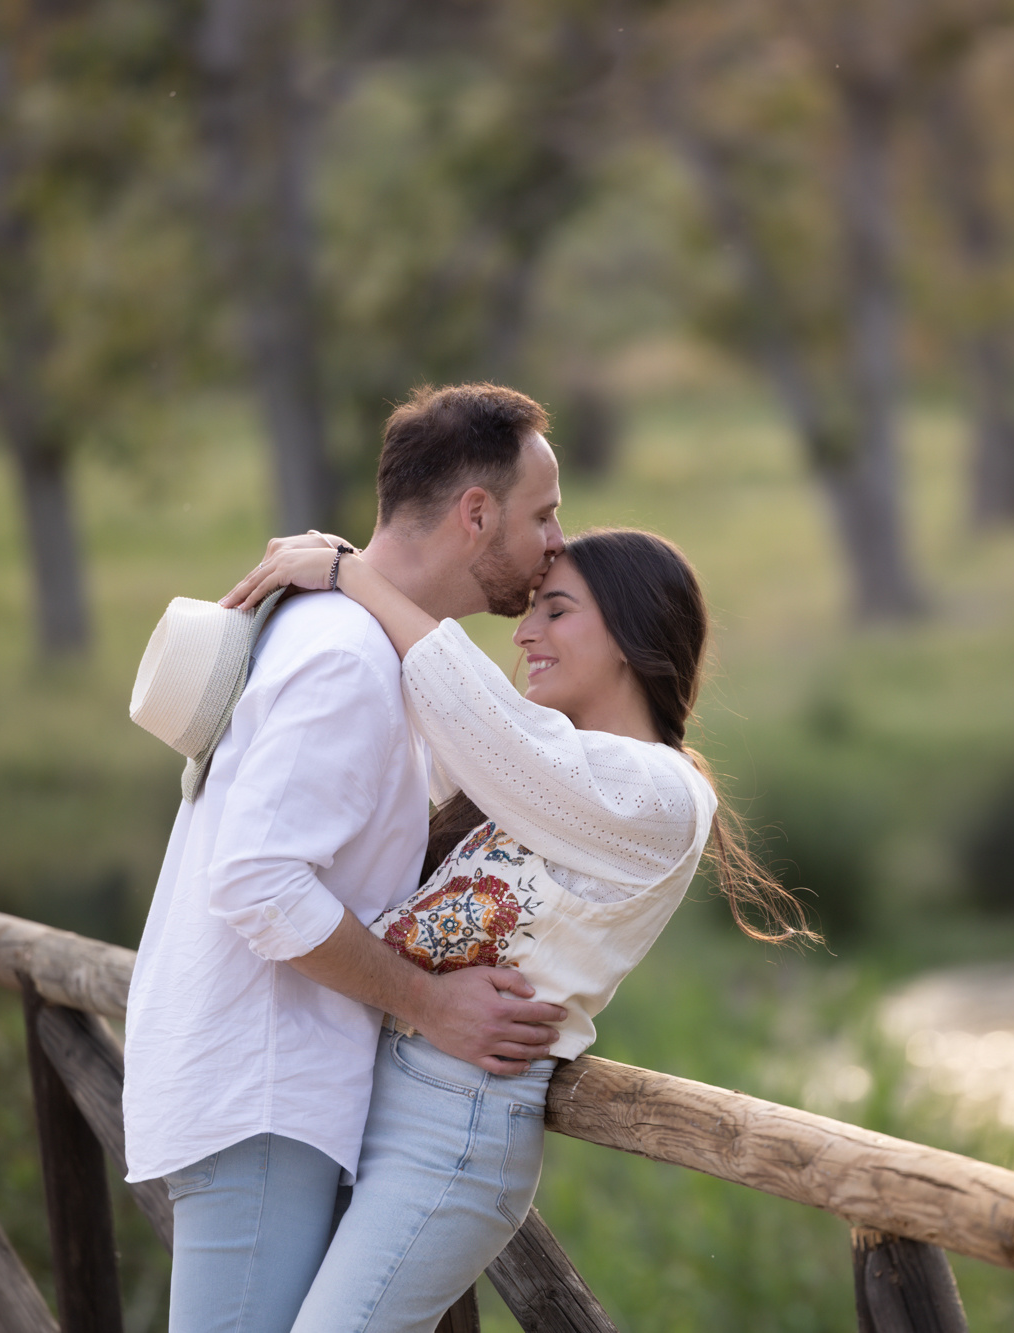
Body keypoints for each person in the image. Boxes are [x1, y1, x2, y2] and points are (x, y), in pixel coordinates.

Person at [219, 524, 814, 1333]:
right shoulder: (532, 775)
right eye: (532, 610)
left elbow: (484, 723)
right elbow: (413, 734)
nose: (526, 632)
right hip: (369, 1085)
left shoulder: (659, 794)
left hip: (454, 1120)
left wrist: (350, 575)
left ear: (633, 638)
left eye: (557, 611)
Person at [121, 384, 576, 1333]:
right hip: (265, 1093)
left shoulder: (352, 638)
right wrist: (432, 1003)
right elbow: (258, 883)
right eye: (543, 517)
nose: (553, 548)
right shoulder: (345, 659)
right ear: (476, 514)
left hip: (267, 1089)